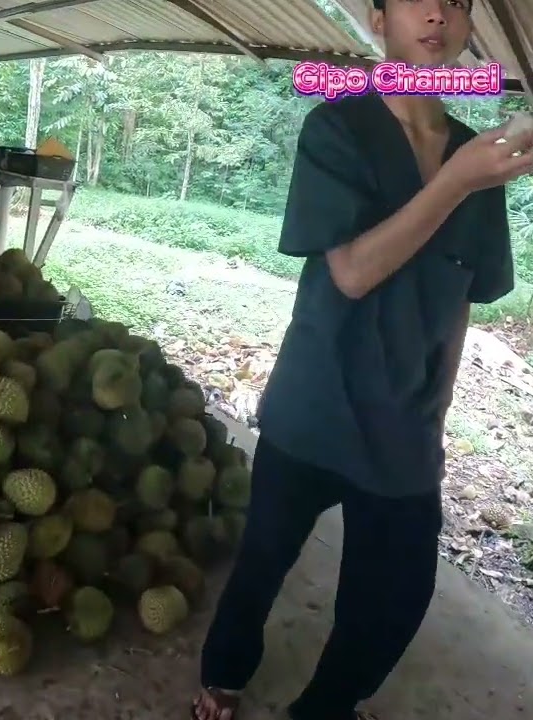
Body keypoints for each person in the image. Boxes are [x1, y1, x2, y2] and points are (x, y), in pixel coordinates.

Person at [190, 1, 531, 719]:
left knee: (393, 599)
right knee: (264, 561)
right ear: (378, 21)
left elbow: (466, 293)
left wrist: (437, 408)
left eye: (458, 2)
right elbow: (349, 272)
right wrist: (456, 181)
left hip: (405, 420)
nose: (437, 11)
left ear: (468, 28)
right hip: (317, 400)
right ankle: (223, 674)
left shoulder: (478, 158)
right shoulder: (338, 127)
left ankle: (323, 708)